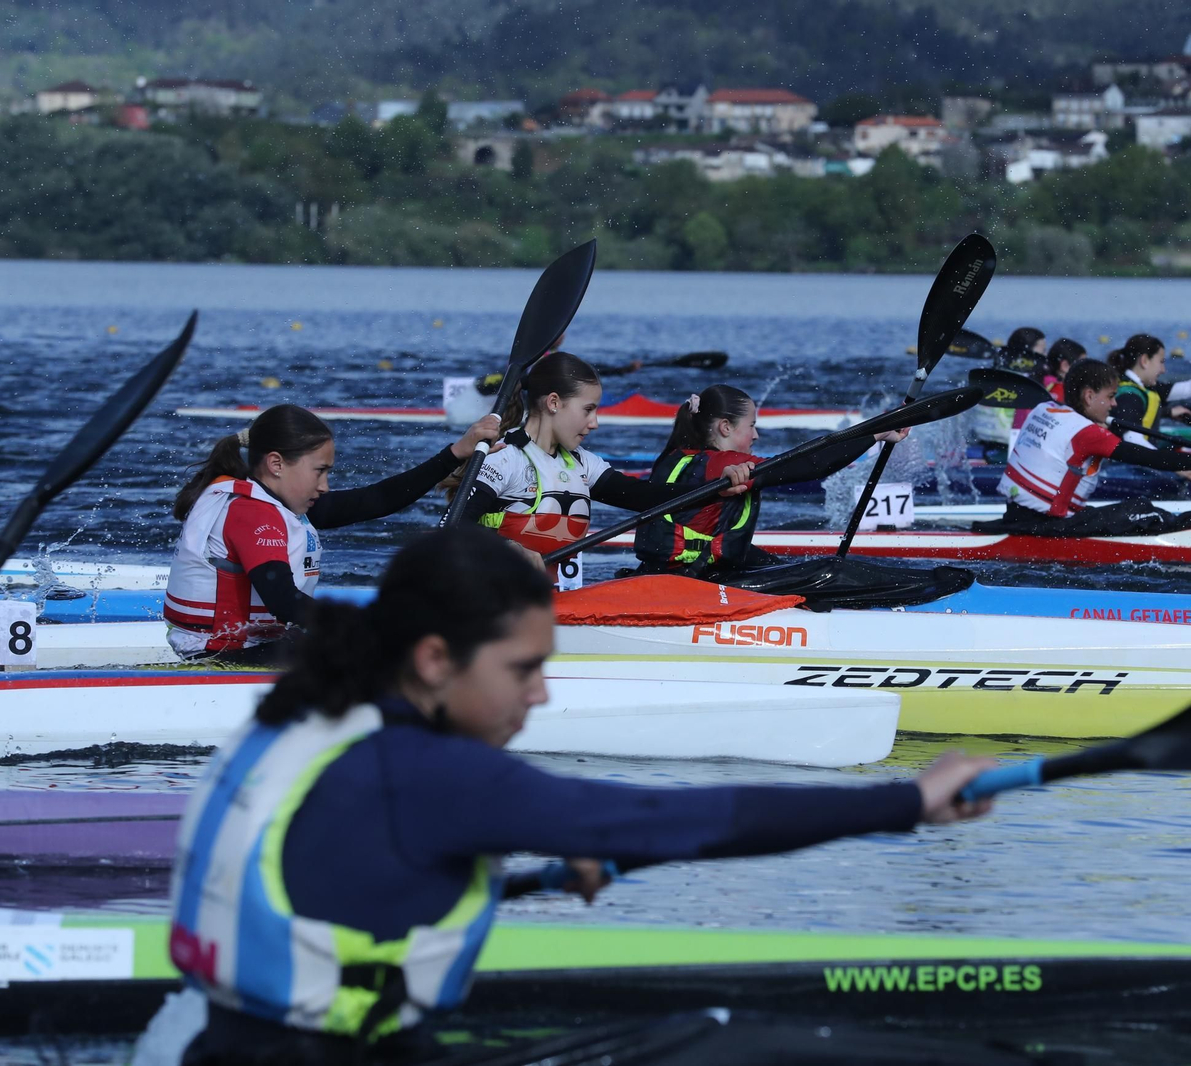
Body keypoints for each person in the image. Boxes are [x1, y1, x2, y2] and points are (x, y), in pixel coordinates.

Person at [169, 526, 998, 1064]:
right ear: (432, 661)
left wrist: (518, 861)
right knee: (726, 1046)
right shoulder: (433, 774)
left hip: (227, 1044)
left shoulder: (299, 720)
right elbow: (697, 820)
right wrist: (906, 803)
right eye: (524, 671)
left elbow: (359, 878)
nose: (541, 698)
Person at [164, 403, 502, 663]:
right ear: (276, 464)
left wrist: (455, 453)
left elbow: (378, 500)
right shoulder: (251, 514)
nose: (325, 486)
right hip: (219, 657)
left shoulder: (275, 502)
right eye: (319, 472)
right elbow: (283, 602)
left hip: (250, 647)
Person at [451, 352, 748, 571]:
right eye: (588, 409)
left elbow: (648, 498)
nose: (594, 423)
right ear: (554, 403)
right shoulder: (504, 460)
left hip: (551, 605)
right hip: (492, 604)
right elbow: (451, 530)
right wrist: (507, 548)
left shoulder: (584, 465)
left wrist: (716, 488)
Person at [631, 385, 907, 576]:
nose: (756, 436)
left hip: (665, 569)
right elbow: (813, 464)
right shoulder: (725, 464)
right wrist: (875, 433)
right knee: (833, 570)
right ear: (725, 427)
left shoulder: (672, 456)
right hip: (698, 577)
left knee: (779, 564)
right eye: (751, 425)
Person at [992, 359, 1191, 536]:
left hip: (1017, 515)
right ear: (1090, 396)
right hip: (1051, 527)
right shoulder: (1089, 434)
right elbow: (1155, 459)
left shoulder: (1044, 408)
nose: (1115, 405)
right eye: (1111, 396)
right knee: (1143, 510)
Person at [1109, 333, 1191, 452]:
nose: (1163, 370)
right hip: (1127, 468)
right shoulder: (1129, 396)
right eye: (1161, 362)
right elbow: (1132, 440)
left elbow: (1189, 388)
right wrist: (1173, 466)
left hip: (1141, 459)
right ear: (1144, 361)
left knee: (1177, 442)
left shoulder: (1144, 387)